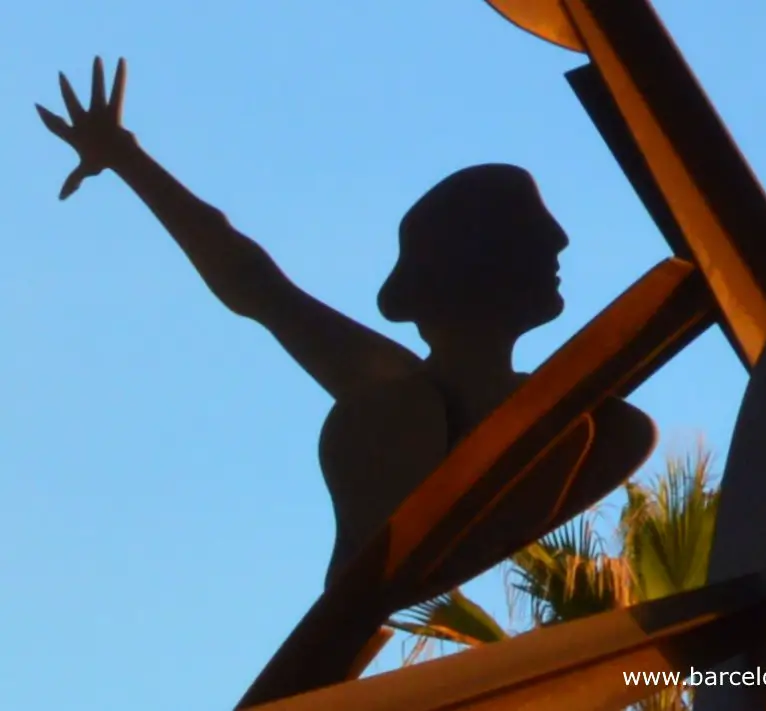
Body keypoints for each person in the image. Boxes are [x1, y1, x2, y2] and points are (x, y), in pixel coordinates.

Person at [37, 57, 657, 703]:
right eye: (532, 237)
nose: (559, 245)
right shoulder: (393, 393)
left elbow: (258, 286)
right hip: (331, 641)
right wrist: (129, 159)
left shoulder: (589, 424)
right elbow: (253, 282)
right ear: (472, 269)